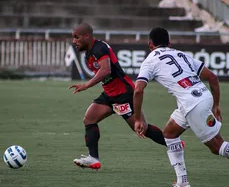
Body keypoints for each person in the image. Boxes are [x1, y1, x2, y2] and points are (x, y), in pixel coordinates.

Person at [133, 27, 229, 187]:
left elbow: (138, 90)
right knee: (169, 134)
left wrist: (137, 119)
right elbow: (212, 77)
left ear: (150, 44)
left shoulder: (150, 60)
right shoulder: (180, 54)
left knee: (217, 147)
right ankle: (182, 182)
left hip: (193, 104)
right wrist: (216, 105)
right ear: (169, 43)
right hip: (200, 98)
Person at [68, 23, 167, 170]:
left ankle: (173, 142)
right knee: (89, 119)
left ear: (87, 36)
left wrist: (86, 85)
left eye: (76, 37)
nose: (74, 41)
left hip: (123, 94)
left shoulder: (99, 48)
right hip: (109, 94)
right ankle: (93, 158)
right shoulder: (89, 51)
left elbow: (106, 70)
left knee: (141, 128)